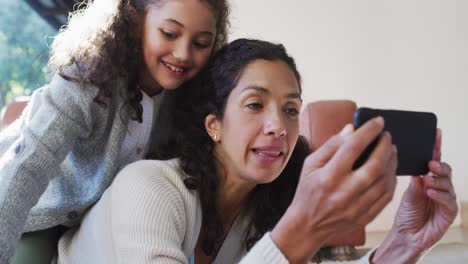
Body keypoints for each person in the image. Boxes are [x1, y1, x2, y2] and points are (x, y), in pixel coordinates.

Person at [55, 38, 457, 264]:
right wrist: (302, 228)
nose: (278, 127)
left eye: (291, 109)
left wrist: (402, 244)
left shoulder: (263, 206)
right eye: (254, 104)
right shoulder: (148, 188)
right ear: (213, 125)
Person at [0, 0, 230, 262]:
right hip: (39, 210)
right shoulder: (86, 79)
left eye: (201, 43)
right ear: (135, 21)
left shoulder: (193, 103)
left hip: (105, 223)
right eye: (169, 34)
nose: (183, 54)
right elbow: (27, 166)